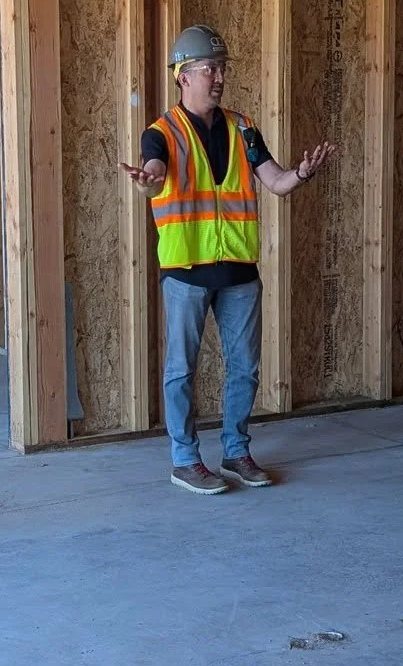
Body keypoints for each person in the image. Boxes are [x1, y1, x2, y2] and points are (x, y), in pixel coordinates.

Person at [120, 25, 337, 495]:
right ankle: (185, 459)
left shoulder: (244, 128)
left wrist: (301, 173)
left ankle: (236, 451)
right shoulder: (161, 134)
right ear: (183, 76)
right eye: (207, 69)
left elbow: (275, 182)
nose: (218, 77)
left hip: (239, 271)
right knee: (182, 370)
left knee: (246, 368)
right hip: (187, 272)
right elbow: (154, 174)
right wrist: (146, 180)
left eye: (221, 68)